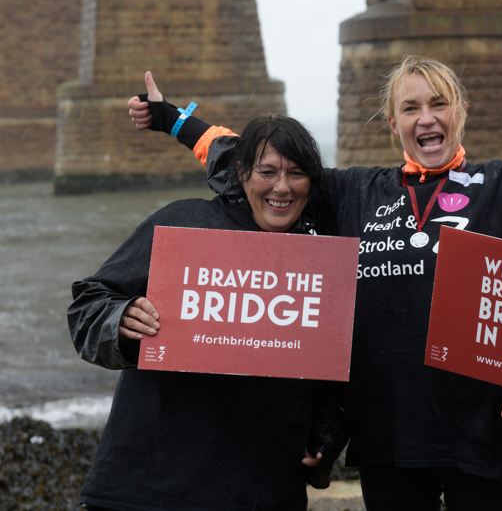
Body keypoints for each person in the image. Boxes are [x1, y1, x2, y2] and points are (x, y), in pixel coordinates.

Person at [127, 8, 502, 510]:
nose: (426, 118)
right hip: (387, 435)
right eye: (411, 108)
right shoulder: (352, 191)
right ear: (394, 124)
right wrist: (173, 120)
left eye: (437, 104)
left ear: (457, 112)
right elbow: (259, 159)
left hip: (480, 430)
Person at [68, 115, 344, 511]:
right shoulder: (185, 223)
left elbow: (333, 386)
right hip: (145, 487)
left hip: (261, 491)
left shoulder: (324, 261)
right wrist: (122, 318)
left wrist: (326, 439)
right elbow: (88, 305)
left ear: (312, 182)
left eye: (297, 173)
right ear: (241, 172)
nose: (282, 187)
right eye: (267, 172)